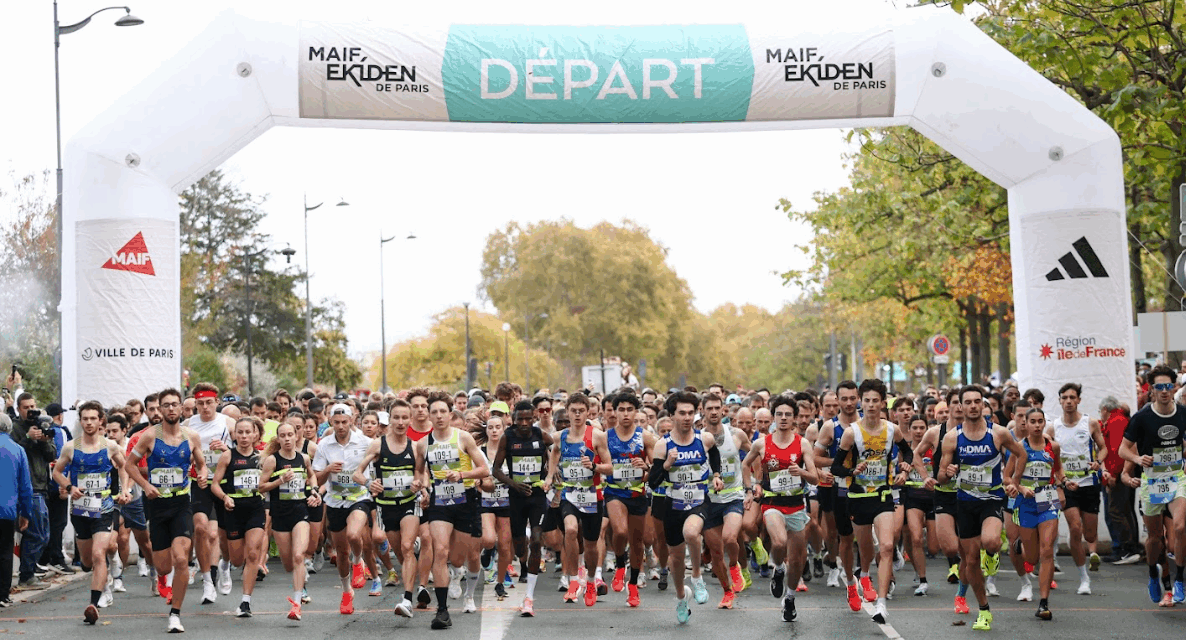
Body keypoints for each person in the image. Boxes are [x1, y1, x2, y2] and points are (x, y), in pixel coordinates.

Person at [936, 384, 1026, 631]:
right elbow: (941, 477)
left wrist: (1012, 481)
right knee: (971, 562)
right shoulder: (952, 437)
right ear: (961, 406)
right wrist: (949, 472)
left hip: (992, 500)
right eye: (969, 402)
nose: (974, 406)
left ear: (983, 405)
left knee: (991, 541)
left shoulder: (997, 433)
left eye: (978, 402)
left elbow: (1021, 454)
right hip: (965, 503)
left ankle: (993, 553)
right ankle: (984, 609)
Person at [831, 379, 913, 624]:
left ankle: (882, 604)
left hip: (883, 496)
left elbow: (906, 451)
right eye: (866, 400)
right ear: (861, 402)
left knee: (887, 546)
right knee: (865, 551)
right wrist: (852, 471)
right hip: (857, 498)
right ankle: (863, 575)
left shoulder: (891, 430)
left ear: (883, 403)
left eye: (875, 401)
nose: (870, 405)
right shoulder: (851, 433)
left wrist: (904, 468)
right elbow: (836, 467)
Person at [125, 388, 207, 633]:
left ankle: (175, 614)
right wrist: (146, 485)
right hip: (157, 504)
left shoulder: (192, 436)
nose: (171, 409)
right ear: (159, 410)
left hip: (182, 503)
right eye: (166, 405)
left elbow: (201, 464)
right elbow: (129, 465)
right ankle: (161, 576)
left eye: (175, 404)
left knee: (182, 559)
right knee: (164, 565)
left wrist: (202, 476)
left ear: (182, 408)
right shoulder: (149, 436)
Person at [415, 392, 490, 629]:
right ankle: (442, 610)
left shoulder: (464, 438)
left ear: (450, 414)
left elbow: (484, 469)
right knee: (440, 551)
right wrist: (422, 487)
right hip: (439, 501)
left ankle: (457, 572)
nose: (438, 416)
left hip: (465, 499)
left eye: (442, 412)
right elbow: (420, 471)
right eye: (433, 412)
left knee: (458, 557)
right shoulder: (423, 443)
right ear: (429, 415)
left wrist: (462, 475)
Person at [648, 390, 722, 624]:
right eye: (682, 413)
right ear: (672, 416)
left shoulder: (704, 439)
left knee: (692, 533)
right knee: (676, 559)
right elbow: (653, 481)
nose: (687, 417)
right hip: (673, 504)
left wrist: (717, 475)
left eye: (691, 413)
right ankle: (682, 597)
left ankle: (698, 577)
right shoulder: (662, 445)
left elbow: (715, 455)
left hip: (699, 499)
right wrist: (667, 464)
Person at [51, 401, 129, 623]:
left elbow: (123, 466)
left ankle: (93, 604)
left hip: (104, 508)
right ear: (80, 421)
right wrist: (69, 487)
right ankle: (98, 580)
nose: (88, 422)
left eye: (93, 418)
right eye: (84, 418)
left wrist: (124, 489)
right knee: (86, 561)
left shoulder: (110, 447)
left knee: (98, 553)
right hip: (80, 509)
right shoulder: (71, 447)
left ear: (101, 420)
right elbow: (57, 472)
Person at [744, 394, 818, 621]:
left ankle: (790, 597)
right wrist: (750, 488)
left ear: (794, 418)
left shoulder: (802, 443)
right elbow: (745, 464)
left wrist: (802, 472)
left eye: (788, 415)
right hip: (772, 503)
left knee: (797, 560)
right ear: (774, 417)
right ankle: (778, 568)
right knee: (778, 542)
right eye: (779, 414)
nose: (783, 418)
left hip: (796, 506)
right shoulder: (761, 443)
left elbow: (814, 478)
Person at [1118, 364, 1186, 605]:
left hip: (1177, 477)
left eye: (1169, 386)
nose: (1165, 391)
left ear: (1174, 387)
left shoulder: (1182, 413)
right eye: (1160, 387)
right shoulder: (1142, 418)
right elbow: (1122, 449)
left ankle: (1179, 580)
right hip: (1152, 482)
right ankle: (1152, 574)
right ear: (1152, 390)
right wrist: (1138, 459)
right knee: (1155, 538)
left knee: (1179, 528)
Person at [355, 398, 425, 619]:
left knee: (406, 547)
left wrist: (419, 484)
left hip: (408, 503)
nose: (401, 422)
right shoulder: (378, 445)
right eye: (396, 417)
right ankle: (419, 582)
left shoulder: (415, 447)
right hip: (386, 507)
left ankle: (406, 599)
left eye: (405, 418)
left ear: (410, 420)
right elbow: (358, 473)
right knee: (402, 555)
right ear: (390, 419)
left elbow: (422, 475)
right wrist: (368, 483)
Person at [545, 393, 613, 608]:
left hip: (593, 495)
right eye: (573, 411)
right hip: (570, 494)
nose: (576, 415)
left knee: (591, 545)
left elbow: (610, 468)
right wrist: (549, 476)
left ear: (587, 412)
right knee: (571, 530)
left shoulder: (597, 436)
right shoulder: (560, 436)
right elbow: (555, 452)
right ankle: (574, 580)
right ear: (567, 411)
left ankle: (591, 581)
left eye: (581, 411)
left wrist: (594, 466)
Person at [492, 400, 555, 617]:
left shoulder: (542, 436)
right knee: (520, 545)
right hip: (516, 496)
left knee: (537, 540)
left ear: (535, 417)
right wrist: (513, 483)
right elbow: (496, 470)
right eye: (521, 419)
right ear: (514, 418)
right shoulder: (507, 437)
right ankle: (522, 560)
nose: (525, 423)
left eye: (529, 419)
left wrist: (551, 474)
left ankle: (529, 596)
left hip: (537, 496)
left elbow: (555, 454)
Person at [313, 403, 376, 617]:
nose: (341, 426)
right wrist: (328, 470)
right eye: (336, 422)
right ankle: (347, 591)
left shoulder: (366, 442)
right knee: (341, 552)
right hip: (334, 500)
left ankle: (358, 562)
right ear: (331, 421)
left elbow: (375, 471)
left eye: (344, 422)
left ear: (352, 421)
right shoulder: (324, 444)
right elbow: (317, 476)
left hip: (359, 497)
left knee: (354, 533)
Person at [1047, 382, 1109, 594]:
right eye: (1065, 398)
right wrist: (1058, 480)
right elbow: (1048, 457)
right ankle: (1084, 578)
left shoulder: (1090, 423)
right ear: (1060, 401)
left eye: (1072, 397)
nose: (1069, 401)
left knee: (1090, 535)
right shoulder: (1053, 428)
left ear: (1079, 400)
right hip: (1067, 485)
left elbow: (1103, 449)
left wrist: (1098, 462)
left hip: (1089, 483)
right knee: (1075, 528)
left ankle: (1088, 553)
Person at [259, 419, 320, 621]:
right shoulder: (272, 461)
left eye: (290, 435)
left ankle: (296, 603)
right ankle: (299, 576)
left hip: (300, 511)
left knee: (298, 555)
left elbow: (312, 477)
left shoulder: (303, 458)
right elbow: (261, 487)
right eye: (282, 436)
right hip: (280, 514)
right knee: (287, 564)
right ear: (278, 438)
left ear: (296, 436)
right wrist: (280, 481)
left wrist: (314, 491)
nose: (286, 439)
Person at [1006, 408, 1064, 620]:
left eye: (1041, 421)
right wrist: (1020, 488)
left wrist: (1063, 484)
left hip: (1048, 500)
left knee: (1047, 550)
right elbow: (1007, 477)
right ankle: (1019, 545)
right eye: (1033, 421)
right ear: (1026, 424)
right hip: (1026, 503)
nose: (1037, 425)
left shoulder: (1053, 447)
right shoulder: (1019, 449)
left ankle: (1044, 603)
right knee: (1031, 557)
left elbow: (1058, 471)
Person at [210, 417, 269, 618]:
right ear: (235, 435)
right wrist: (225, 497)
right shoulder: (228, 456)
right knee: (237, 560)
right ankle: (225, 562)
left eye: (247, 432)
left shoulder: (262, 457)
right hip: (233, 509)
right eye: (240, 432)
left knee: (252, 554)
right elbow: (215, 484)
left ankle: (245, 602)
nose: (244, 437)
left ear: (255, 434)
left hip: (255, 508)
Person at [604, 392, 657, 608]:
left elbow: (656, 469)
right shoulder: (605, 437)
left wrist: (647, 468)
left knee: (637, 542)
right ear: (614, 412)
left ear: (636, 412)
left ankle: (633, 586)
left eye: (629, 409)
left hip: (637, 493)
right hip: (615, 492)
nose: (625, 414)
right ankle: (618, 564)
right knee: (620, 532)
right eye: (621, 409)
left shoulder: (645, 437)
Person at [185, 383, 233, 604]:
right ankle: (207, 582)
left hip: (223, 484)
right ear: (195, 404)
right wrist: (188, 463)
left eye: (209, 403)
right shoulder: (187, 425)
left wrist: (226, 451)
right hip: (199, 484)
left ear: (217, 402)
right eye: (200, 403)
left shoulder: (228, 422)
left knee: (218, 536)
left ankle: (224, 565)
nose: (205, 407)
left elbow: (247, 450)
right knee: (201, 529)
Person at [700, 392, 748, 609]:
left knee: (730, 538)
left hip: (733, 496)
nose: (712, 412)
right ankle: (727, 592)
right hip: (708, 501)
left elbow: (757, 453)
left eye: (716, 408)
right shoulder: (697, 439)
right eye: (708, 408)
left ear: (723, 410)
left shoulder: (736, 434)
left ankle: (735, 565)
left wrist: (754, 483)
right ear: (702, 411)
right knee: (716, 551)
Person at [0, 413, 35, 608]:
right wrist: (25, 513)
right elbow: (25, 487)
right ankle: (3, 594)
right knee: (5, 551)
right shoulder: (18, 450)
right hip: (6, 509)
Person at [902, 415, 937, 595]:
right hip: (913, 497)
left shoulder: (934, 449)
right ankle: (922, 579)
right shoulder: (905, 451)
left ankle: (920, 566)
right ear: (909, 430)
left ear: (927, 430)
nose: (918, 431)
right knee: (916, 538)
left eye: (921, 428)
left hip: (933, 498)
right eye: (914, 428)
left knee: (933, 547)